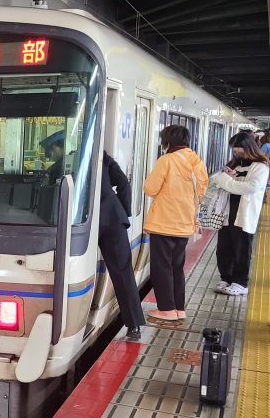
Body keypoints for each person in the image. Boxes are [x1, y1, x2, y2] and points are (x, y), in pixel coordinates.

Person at [143, 124, 209, 321]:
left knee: (161, 267)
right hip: (185, 224)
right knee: (176, 267)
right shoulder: (198, 162)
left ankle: (166, 310)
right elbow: (202, 192)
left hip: (163, 224)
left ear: (168, 141)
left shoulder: (167, 160)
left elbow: (150, 189)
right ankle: (179, 309)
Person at [210, 132, 269, 296]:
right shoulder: (234, 164)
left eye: (239, 150)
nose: (236, 153)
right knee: (223, 249)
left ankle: (240, 283)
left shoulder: (261, 166)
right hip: (227, 214)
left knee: (241, 249)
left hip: (244, 215)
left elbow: (250, 187)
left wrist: (226, 181)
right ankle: (226, 278)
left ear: (249, 148)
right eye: (235, 150)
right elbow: (217, 181)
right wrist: (226, 179)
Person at [98, 151, 145, 340]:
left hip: (83, 223)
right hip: (113, 219)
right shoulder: (106, 160)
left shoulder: (73, 159)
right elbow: (124, 183)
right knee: (123, 272)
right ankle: (134, 326)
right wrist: (124, 211)